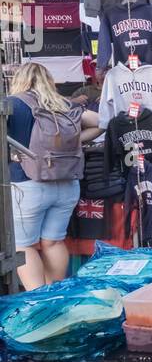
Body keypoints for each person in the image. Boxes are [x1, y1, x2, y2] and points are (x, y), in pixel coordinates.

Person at [7, 63, 101, 290]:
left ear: (19, 80)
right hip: (68, 185)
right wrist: (73, 143)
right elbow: (101, 122)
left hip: (29, 184)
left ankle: (41, 301)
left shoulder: (13, 104)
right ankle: (57, 296)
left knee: (24, 246)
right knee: (53, 242)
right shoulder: (64, 103)